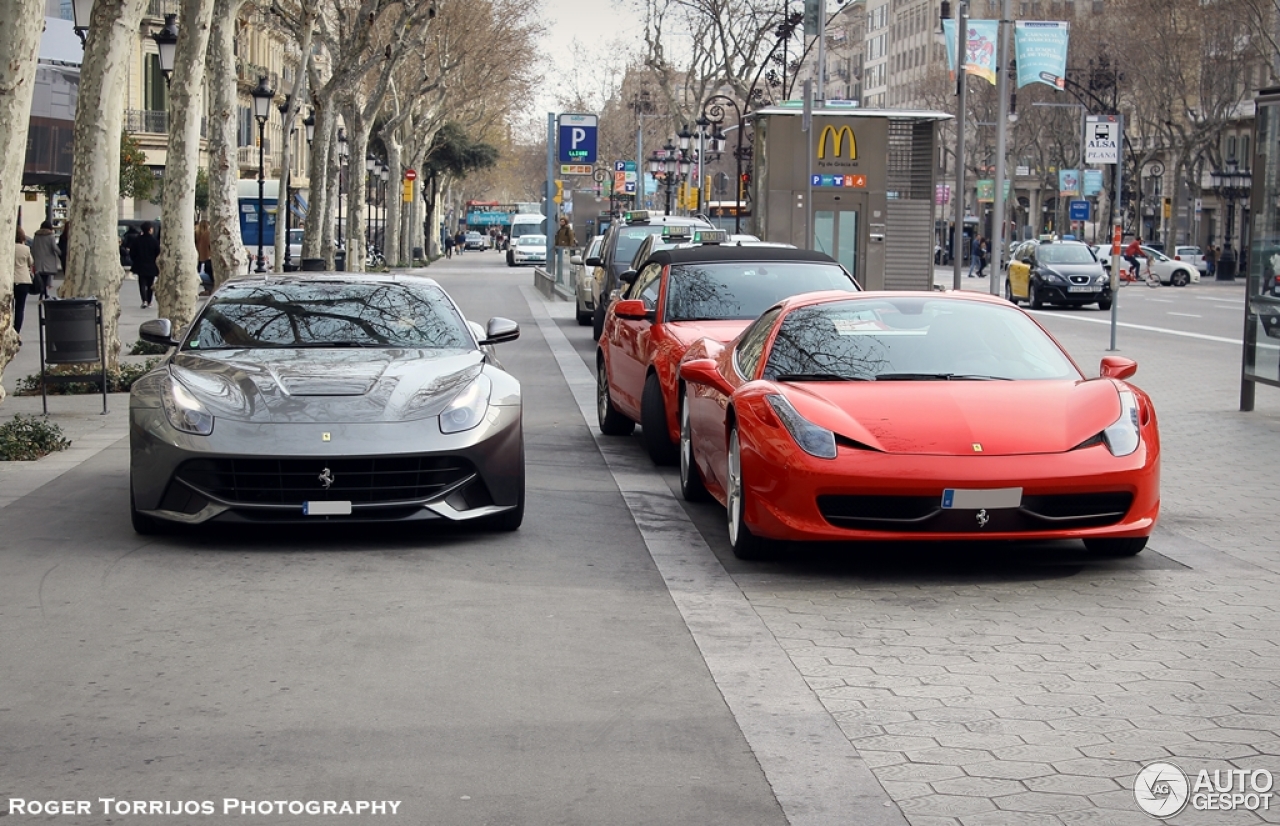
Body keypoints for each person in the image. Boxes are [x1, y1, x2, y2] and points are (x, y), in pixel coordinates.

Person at [128, 221, 161, 309]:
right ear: (150, 230)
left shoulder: (137, 240)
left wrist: (135, 260)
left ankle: (144, 300)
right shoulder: (154, 241)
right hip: (151, 265)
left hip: (140, 264)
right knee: (150, 284)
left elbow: (132, 252)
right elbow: (158, 252)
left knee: (142, 283)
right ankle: (149, 301)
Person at [12, 227, 35, 345]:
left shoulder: (7, 247)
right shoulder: (25, 249)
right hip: (23, 280)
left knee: (9, 307)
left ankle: (8, 330)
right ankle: (16, 332)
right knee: (20, 308)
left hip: (10, 281)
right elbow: (31, 262)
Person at [31, 220, 60, 300]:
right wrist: (61, 253)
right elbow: (54, 247)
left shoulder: (36, 236)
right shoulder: (51, 236)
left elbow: (33, 248)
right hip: (48, 260)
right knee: (46, 278)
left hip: (39, 260)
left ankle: (43, 293)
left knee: (42, 278)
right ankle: (44, 293)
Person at [194, 219, 213, 295]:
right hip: (207, 257)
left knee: (198, 272)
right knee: (206, 272)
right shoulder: (208, 234)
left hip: (198, 255)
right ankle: (208, 289)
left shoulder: (196, 233)